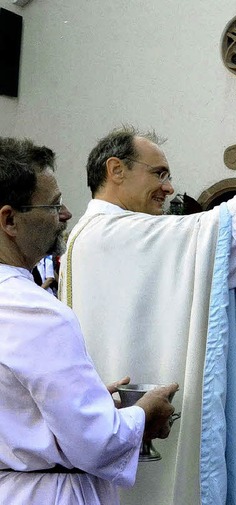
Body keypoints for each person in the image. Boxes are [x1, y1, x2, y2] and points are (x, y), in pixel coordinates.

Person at [59, 101, 236, 505]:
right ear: (115, 170)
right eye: (158, 173)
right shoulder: (111, 232)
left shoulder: (90, 234)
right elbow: (224, 232)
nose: (168, 187)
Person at [0, 137, 178, 505]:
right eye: (52, 204)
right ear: (9, 220)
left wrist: (89, 401)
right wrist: (143, 413)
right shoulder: (36, 313)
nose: (65, 214)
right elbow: (97, 442)